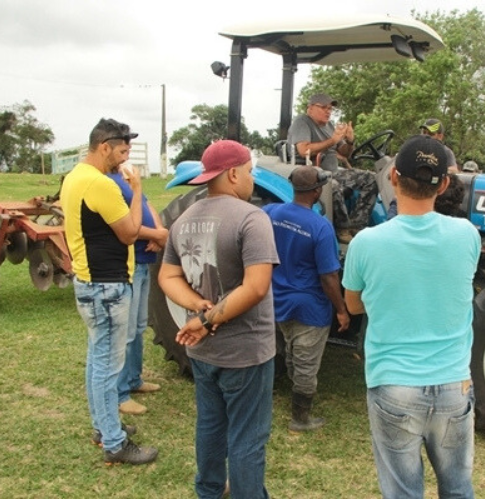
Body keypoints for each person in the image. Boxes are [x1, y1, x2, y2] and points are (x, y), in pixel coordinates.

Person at [342, 135, 480, 498]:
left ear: (393, 178)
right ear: (445, 184)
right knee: (458, 489)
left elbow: (354, 305)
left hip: (394, 386)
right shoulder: (468, 235)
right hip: (454, 385)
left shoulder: (365, 243)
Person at [158, 139, 279, 499]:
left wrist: (197, 308)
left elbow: (167, 277)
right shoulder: (252, 217)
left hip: (203, 353)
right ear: (232, 173)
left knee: (210, 427)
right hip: (246, 352)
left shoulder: (183, 219)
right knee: (247, 436)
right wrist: (208, 318)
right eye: (249, 172)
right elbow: (256, 287)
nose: (252, 180)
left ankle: (209, 492)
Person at [61, 118, 158, 465]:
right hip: (107, 286)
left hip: (90, 282)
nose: (125, 158)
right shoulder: (100, 185)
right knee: (106, 365)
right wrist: (138, 190)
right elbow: (131, 233)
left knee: (97, 360)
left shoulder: (74, 177)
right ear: (104, 147)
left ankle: (104, 427)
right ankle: (114, 443)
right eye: (122, 150)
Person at [263, 166, 351, 433]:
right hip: (309, 307)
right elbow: (329, 277)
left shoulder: (270, 213)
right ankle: (300, 418)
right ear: (317, 191)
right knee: (306, 363)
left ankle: (293, 397)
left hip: (276, 302)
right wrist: (342, 309)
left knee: (291, 351)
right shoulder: (320, 227)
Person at [107, 163, 168, 416]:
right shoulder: (108, 183)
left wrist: (159, 233)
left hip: (144, 263)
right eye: (122, 149)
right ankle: (121, 393)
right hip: (129, 264)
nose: (127, 153)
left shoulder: (127, 179)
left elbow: (146, 204)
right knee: (127, 332)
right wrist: (155, 234)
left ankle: (134, 379)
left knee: (140, 326)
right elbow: (127, 227)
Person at [287, 93, 378, 243]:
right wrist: (332, 141)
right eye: (323, 107)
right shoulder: (302, 122)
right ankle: (342, 229)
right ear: (310, 108)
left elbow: (344, 153)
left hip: (332, 172)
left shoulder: (329, 125)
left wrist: (349, 141)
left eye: (330, 108)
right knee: (332, 185)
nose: (328, 111)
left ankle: (357, 226)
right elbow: (304, 151)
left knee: (370, 178)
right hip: (310, 173)